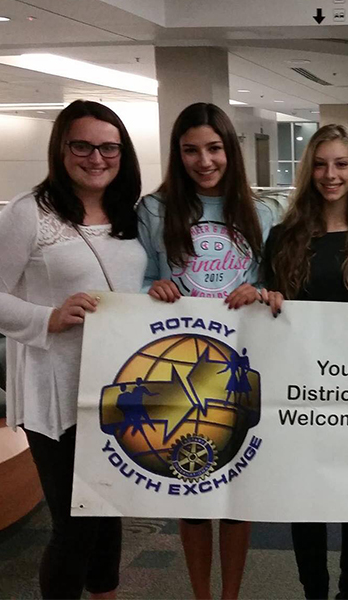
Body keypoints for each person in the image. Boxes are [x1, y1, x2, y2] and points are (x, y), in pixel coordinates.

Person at [0, 100, 147, 599]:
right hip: (57, 391)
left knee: (109, 510)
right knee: (74, 525)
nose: (96, 157)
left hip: (121, 388)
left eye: (109, 147)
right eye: (82, 145)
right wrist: (47, 317)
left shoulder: (132, 214)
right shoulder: (29, 212)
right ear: (61, 148)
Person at [137, 102, 274, 600]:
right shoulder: (153, 210)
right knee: (191, 491)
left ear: (230, 150)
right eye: (190, 150)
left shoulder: (263, 211)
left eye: (214, 148)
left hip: (240, 362)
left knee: (238, 494)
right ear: (177, 154)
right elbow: (140, 279)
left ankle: (230, 595)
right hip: (177, 361)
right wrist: (152, 289)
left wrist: (262, 292)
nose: (204, 161)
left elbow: (274, 286)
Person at [263, 123, 348, 600]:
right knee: (305, 497)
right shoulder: (284, 236)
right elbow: (270, 305)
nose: (330, 175)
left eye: (341, 164)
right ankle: (314, 590)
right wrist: (267, 298)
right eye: (320, 164)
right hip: (301, 387)